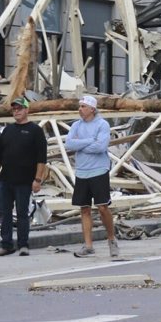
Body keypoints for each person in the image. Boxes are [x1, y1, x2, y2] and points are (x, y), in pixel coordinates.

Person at [0, 96, 48, 256]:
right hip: (5, 180)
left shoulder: (35, 131)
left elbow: (41, 158)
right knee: (5, 214)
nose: (16, 111)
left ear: (27, 110)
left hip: (24, 181)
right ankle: (6, 244)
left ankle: (23, 244)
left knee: (22, 214)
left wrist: (37, 179)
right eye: (14, 109)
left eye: (19, 108)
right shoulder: (7, 130)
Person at [65, 94, 119, 258]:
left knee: (102, 207)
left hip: (99, 169)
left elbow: (101, 147)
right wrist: (89, 140)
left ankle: (111, 239)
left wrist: (80, 145)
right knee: (84, 209)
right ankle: (88, 245)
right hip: (82, 170)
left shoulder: (102, 124)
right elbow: (69, 144)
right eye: (79, 106)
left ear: (92, 109)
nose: (79, 109)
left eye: (82, 106)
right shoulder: (76, 125)